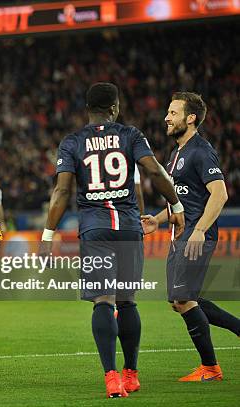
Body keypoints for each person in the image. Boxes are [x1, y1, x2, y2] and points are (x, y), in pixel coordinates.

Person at [41, 83, 184, 398]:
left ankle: (112, 379)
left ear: (88, 109)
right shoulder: (130, 136)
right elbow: (155, 173)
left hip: (95, 230)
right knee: (127, 301)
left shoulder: (72, 142)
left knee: (103, 301)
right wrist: (176, 205)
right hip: (129, 228)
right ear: (115, 108)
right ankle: (132, 374)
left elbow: (62, 191)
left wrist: (48, 233)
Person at [141, 92, 239, 382]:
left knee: (183, 299)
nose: (166, 118)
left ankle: (210, 368)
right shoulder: (177, 154)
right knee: (181, 300)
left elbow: (219, 194)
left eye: (173, 113)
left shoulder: (200, 150)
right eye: (168, 113)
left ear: (190, 118)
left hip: (196, 235)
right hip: (179, 234)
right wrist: (157, 220)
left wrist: (198, 230)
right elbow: (180, 199)